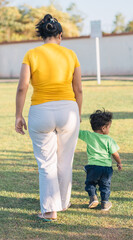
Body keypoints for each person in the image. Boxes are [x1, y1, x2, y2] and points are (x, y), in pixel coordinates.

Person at [15, 14, 82, 221]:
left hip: (41, 111)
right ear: (59, 35)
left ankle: (49, 211)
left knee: (46, 163)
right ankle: (63, 202)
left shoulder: (31, 54)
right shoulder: (71, 54)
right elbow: (78, 89)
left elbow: (22, 87)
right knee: (65, 160)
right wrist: (76, 115)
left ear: (42, 35)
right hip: (68, 111)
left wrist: (18, 115)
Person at [78, 110, 122, 211]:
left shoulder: (88, 135)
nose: (109, 130)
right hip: (106, 168)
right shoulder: (109, 140)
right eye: (109, 127)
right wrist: (119, 163)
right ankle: (105, 203)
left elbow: (75, 132)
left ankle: (93, 197)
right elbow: (115, 154)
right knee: (105, 186)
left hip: (93, 167)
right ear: (103, 128)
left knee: (90, 183)